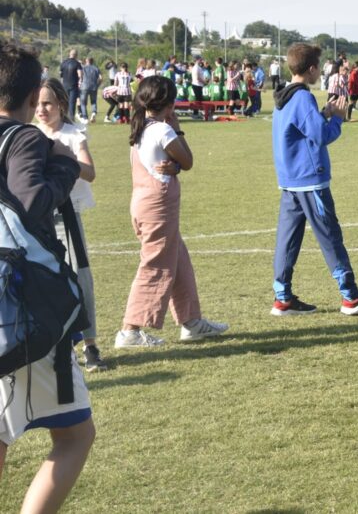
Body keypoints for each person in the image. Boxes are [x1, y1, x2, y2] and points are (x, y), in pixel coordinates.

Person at [0, 41, 96, 514]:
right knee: (75, 435)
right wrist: (63, 167)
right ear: (29, 94)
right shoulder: (23, 138)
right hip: (25, 305)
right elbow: (33, 201)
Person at [270, 43, 358, 316]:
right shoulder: (303, 97)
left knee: (287, 240)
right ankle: (351, 297)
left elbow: (298, 129)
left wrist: (323, 114)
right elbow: (321, 136)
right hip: (310, 180)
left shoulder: (283, 96)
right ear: (312, 69)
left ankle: (282, 298)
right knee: (330, 237)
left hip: (290, 181)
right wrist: (337, 119)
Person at [115, 76, 229, 347]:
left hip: (142, 203)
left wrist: (174, 166)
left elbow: (168, 164)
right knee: (155, 265)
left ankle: (192, 322)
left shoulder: (140, 127)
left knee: (179, 260)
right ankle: (130, 330)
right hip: (158, 208)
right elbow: (187, 161)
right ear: (169, 105)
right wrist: (178, 130)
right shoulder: (163, 131)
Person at [35, 79, 109, 372]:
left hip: (66, 216)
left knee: (80, 277)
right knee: (45, 279)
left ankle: (90, 345)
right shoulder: (30, 133)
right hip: (38, 216)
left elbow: (90, 172)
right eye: (37, 103)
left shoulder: (72, 134)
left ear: (62, 105)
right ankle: (59, 346)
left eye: (47, 103)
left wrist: (65, 160)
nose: (41, 109)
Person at [60, 48, 84, 123]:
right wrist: (80, 80)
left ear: (69, 54)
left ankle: (63, 117)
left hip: (65, 85)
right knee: (72, 102)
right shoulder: (77, 63)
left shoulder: (63, 63)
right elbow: (80, 74)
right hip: (73, 85)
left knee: (65, 101)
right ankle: (71, 118)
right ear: (76, 55)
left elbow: (61, 75)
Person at [80, 57, 101, 123]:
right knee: (93, 102)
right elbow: (101, 78)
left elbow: (80, 76)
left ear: (86, 61)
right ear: (92, 61)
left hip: (84, 87)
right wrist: (97, 85)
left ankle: (85, 117)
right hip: (94, 87)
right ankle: (94, 112)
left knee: (83, 103)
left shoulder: (83, 68)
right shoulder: (96, 68)